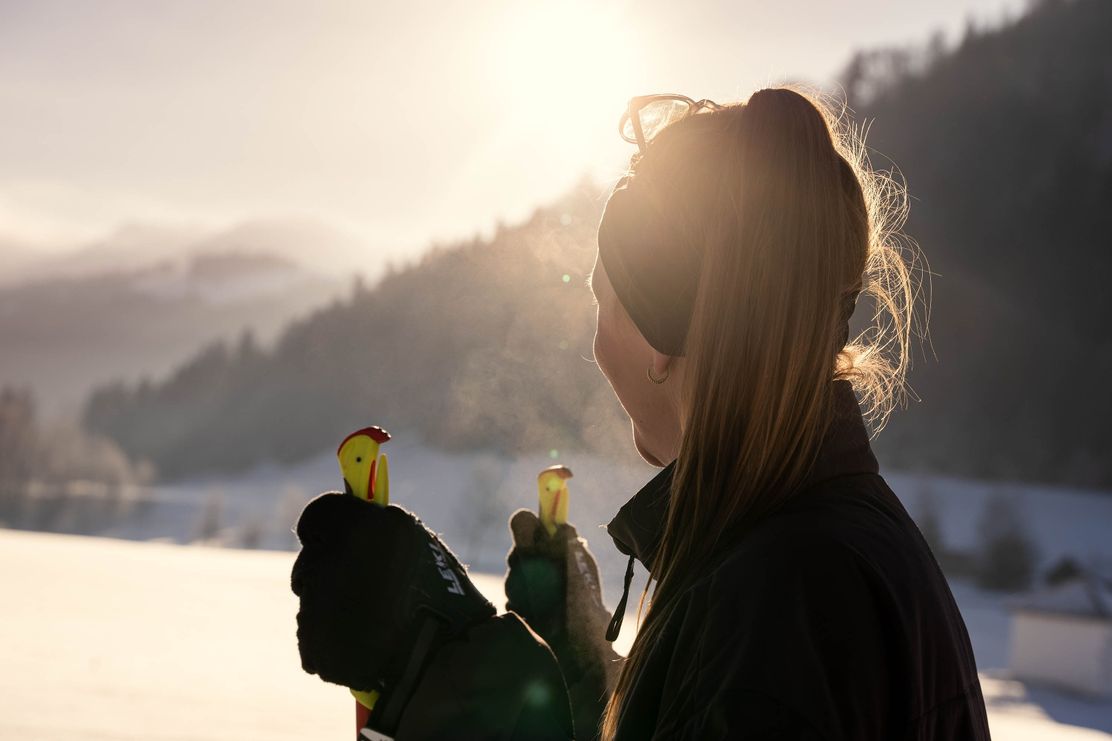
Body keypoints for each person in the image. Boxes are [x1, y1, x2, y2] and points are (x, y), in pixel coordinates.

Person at [291, 86, 991, 740]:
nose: (595, 347)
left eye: (601, 301)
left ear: (659, 336)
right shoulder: (820, 547)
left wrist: (461, 694)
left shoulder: (780, 599)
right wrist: (583, 675)